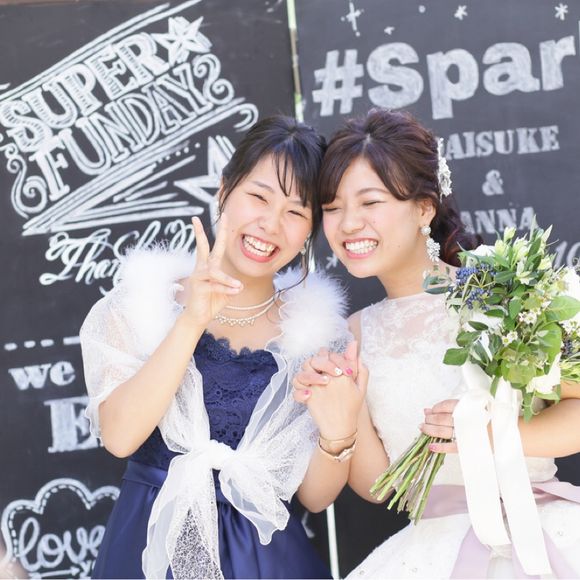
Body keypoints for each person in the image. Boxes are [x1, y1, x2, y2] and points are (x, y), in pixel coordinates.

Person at [293, 108, 580, 578]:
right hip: (430, 554)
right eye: (332, 207)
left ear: (424, 208)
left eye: (370, 202)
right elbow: (380, 488)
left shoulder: (508, 295)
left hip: (544, 532)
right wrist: (339, 420)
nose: (348, 224)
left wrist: (491, 434)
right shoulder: (353, 335)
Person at [80, 115, 354, 579]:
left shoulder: (317, 337)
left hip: (267, 559)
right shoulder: (140, 306)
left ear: (311, 229)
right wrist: (191, 321)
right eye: (259, 197)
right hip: (151, 548)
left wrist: (338, 434)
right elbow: (121, 436)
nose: (270, 224)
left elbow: (314, 497)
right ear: (225, 189)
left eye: (295, 212)